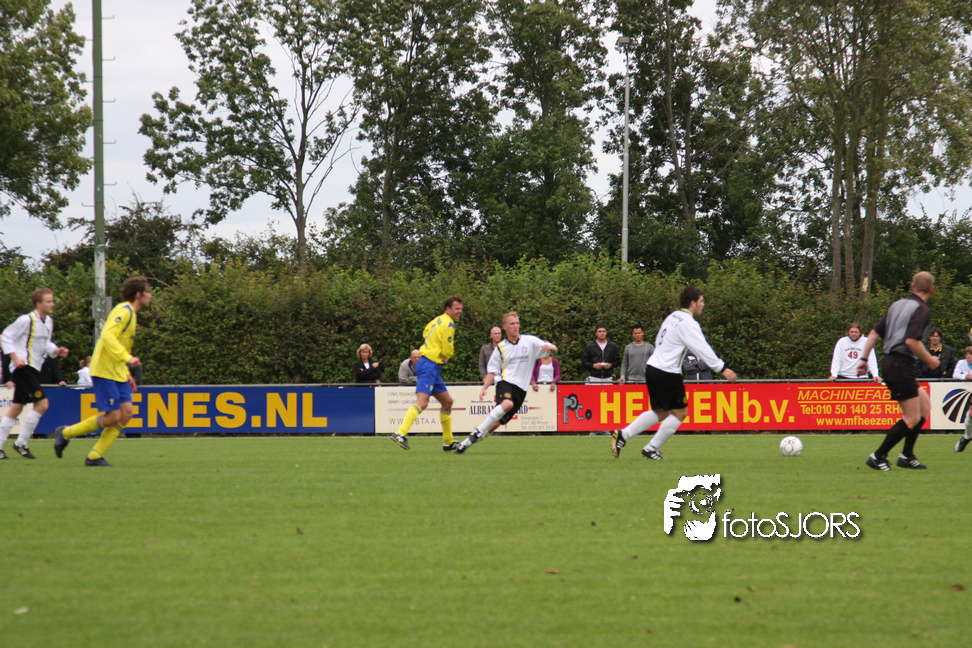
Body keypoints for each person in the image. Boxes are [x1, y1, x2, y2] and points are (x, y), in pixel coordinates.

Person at [611, 287, 738, 461]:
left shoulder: (672, 316)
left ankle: (623, 434)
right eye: (701, 301)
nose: (703, 304)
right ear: (693, 303)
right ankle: (650, 448)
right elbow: (702, 347)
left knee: (661, 411)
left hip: (653, 368)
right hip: (667, 371)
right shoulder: (688, 322)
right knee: (680, 412)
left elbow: (659, 340)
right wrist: (722, 368)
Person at [54, 276, 153, 466]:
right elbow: (107, 335)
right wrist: (128, 358)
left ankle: (94, 456)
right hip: (105, 370)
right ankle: (65, 433)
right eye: (148, 292)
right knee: (113, 417)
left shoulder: (132, 314)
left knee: (127, 413)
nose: (150, 296)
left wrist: (126, 372)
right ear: (139, 294)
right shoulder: (124, 310)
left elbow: (119, 344)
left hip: (118, 371)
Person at [857, 271, 938, 471]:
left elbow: (874, 333)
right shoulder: (921, 309)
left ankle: (907, 456)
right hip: (900, 364)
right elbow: (911, 341)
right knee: (911, 417)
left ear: (911, 287)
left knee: (924, 407)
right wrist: (930, 360)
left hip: (892, 363)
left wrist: (864, 359)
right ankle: (878, 456)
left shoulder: (896, 305)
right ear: (932, 290)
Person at [455, 312, 556, 453]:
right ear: (505, 327)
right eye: (512, 324)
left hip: (522, 389)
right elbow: (492, 372)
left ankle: (465, 444)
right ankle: (476, 432)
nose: (515, 326)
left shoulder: (530, 341)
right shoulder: (500, 348)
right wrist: (484, 388)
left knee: (495, 425)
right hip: (505, 382)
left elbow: (553, 349)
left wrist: (551, 348)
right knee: (507, 404)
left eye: (517, 323)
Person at [0, 288, 70, 460]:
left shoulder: (48, 322)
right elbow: (6, 336)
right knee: (42, 404)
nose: (52, 304)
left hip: (33, 369)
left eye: (52, 301)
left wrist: (56, 350)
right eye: (48, 301)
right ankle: (21, 443)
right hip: (23, 368)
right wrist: (15, 358)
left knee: (16, 408)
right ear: (38, 303)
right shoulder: (26, 320)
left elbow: (45, 344)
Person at [391, 296, 464, 452]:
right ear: (448, 309)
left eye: (461, 309)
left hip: (430, 365)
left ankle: (448, 442)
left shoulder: (437, 320)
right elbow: (448, 345)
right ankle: (400, 433)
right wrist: (446, 354)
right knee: (422, 402)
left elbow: (425, 332)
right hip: (429, 365)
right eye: (457, 308)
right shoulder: (449, 324)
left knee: (447, 402)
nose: (460, 311)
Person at [955, 348, 972, 452]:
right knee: (970, 414)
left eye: (971, 354)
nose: (969, 356)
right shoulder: (961, 363)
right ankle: (967, 437)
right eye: (967, 354)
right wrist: (965, 376)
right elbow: (955, 374)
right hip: (967, 389)